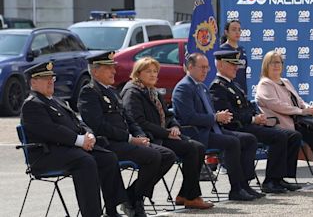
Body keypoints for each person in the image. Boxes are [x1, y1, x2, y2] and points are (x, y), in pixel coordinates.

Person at [21, 61, 132, 217]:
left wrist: (89, 135)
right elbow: (52, 131)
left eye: (52, 78)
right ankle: (92, 213)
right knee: (85, 161)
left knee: (107, 157)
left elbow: (78, 122)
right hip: (45, 155)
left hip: (66, 149)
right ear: (33, 82)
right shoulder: (32, 104)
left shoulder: (56, 100)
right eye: (45, 78)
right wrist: (79, 140)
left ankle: (112, 210)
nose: (50, 82)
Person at [77, 52, 176, 217]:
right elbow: (98, 126)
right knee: (153, 156)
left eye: (113, 68)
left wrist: (140, 134)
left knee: (167, 155)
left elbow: (129, 119)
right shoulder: (89, 93)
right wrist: (130, 138)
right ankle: (135, 202)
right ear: (95, 72)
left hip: (126, 141)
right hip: (109, 143)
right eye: (108, 68)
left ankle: (131, 196)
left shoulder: (111, 91)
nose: (114, 72)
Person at [120, 57, 213, 209]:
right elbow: (139, 122)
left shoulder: (152, 91)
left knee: (198, 147)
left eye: (155, 71)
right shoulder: (132, 92)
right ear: (138, 73)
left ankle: (187, 195)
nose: (153, 75)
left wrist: (175, 126)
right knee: (182, 151)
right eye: (148, 71)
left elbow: (169, 115)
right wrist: (166, 133)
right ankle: (133, 194)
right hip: (150, 137)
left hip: (163, 134)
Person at [172, 52, 263, 201]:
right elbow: (188, 117)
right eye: (202, 67)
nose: (206, 71)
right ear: (190, 67)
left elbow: (209, 112)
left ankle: (244, 184)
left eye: (207, 67)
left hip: (212, 129)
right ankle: (236, 189)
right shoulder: (184, 88)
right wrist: (214, 117)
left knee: (249, 139)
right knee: (232, 142)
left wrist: (221, 117)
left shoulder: (201, 87)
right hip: (196, 133)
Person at [210, 50, 302, 193]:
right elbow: (229, 116)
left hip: (249, 124)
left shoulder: (234, 85)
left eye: (237, 64)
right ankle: (269, 181)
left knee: (292, 135)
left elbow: (247, 107)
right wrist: (253, 119)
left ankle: (279, 178)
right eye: (232, 64)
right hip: (238, 128)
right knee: (279, 136)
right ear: (221, 65)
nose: (236, 68)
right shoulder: (218, 87)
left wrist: (257, 116)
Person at [255, 50, 313, 187]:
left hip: (297, 120)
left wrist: (308, 108)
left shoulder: (285, 81)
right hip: (282, 123)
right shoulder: (265, 84)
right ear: (266, 65)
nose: (276, 65)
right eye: (272, 62)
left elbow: (299, 100)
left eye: (279, 62)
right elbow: (276, 105)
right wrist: (301, 111)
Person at [220, 20, 248, 93]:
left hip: (242, 90)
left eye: (239, 30)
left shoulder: (242, 50)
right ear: (226, 32)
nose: (237, 32)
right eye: (234, 29)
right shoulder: (222, 49)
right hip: (227, 90)